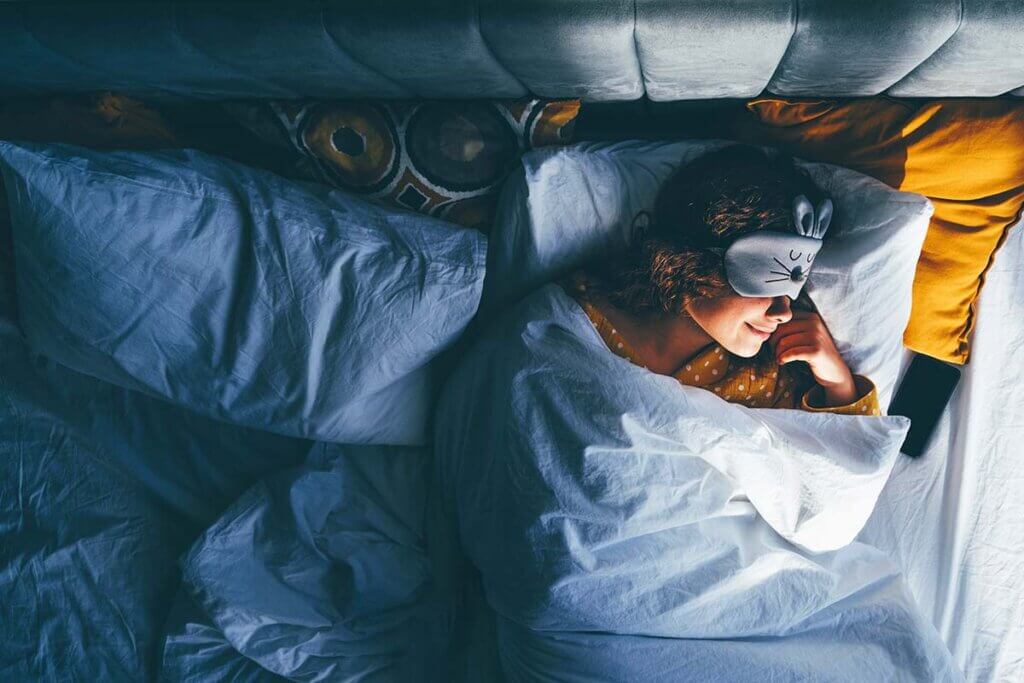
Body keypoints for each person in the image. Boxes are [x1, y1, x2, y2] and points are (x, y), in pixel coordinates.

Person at [564, 144, 879, 415]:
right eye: (771, 280)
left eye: (791, 291)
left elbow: (844, 458)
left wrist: (838, 381)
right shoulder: (579, 315)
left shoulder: (766, 382)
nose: (784, 312)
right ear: (695, 262)